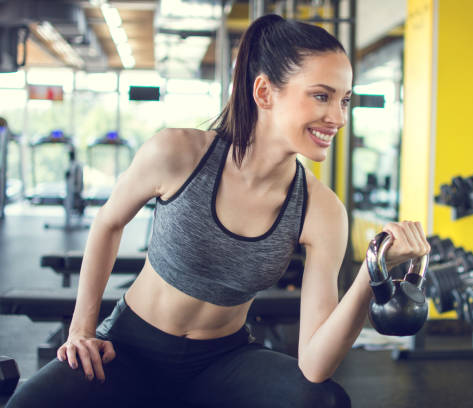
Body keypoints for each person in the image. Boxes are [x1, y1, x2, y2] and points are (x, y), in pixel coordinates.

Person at [7, 14, 430, 408]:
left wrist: (368, 273)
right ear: (264, 92)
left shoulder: (322, 211)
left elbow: (314, 366)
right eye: (322, 96)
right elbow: (108, 222)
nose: (337, 117)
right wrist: (82, 330)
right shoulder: (177, 153)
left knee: (322, 400)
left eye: (345, 101)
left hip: (223, 362)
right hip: (128, 347)